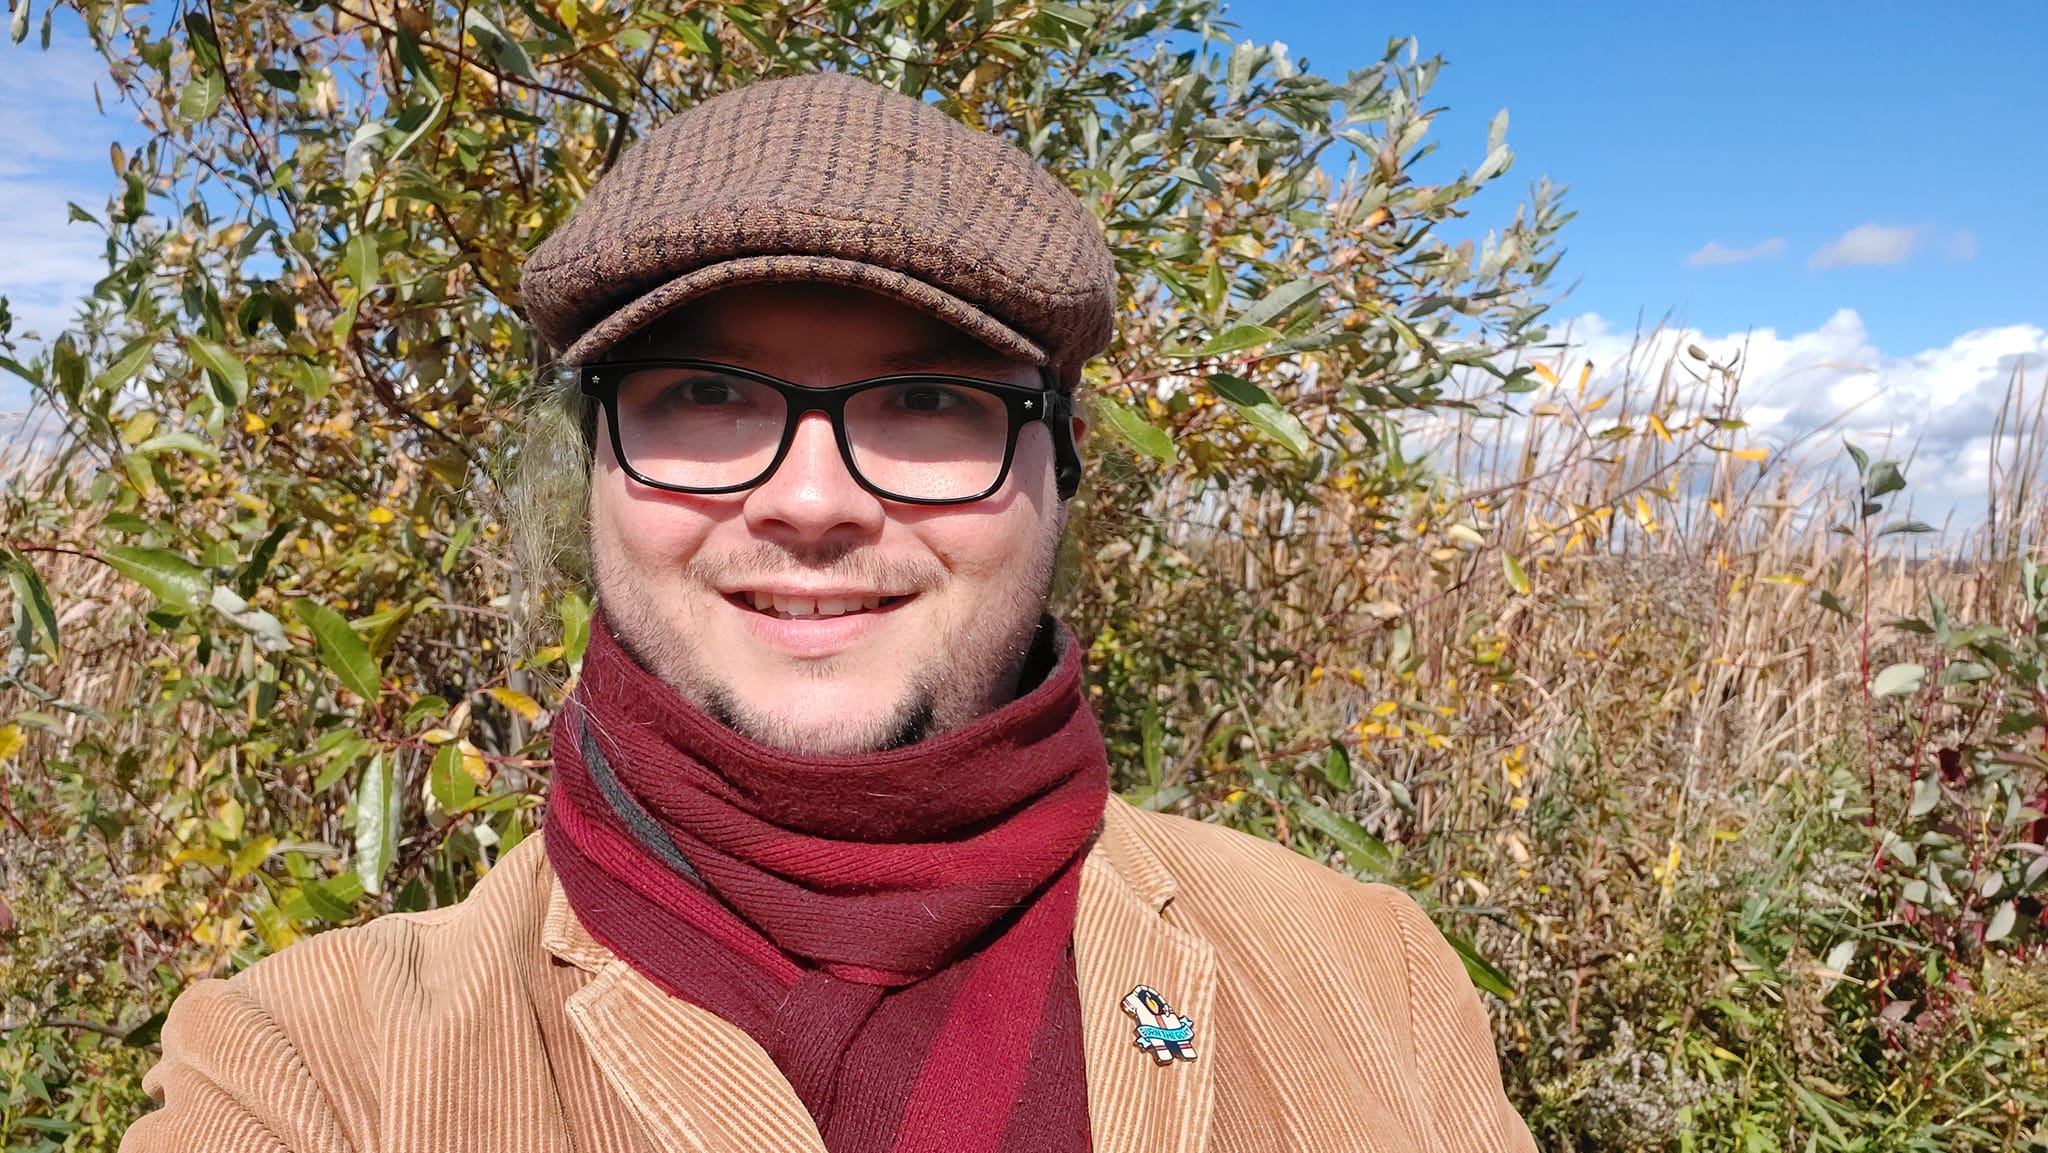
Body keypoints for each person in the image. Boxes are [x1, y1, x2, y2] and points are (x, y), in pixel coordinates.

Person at [122, 72, 1533, 1153]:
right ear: (596, 474)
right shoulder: (312, 1070)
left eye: (929, 400)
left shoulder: (1368, 986)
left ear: (1062, 470)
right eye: (706, 396)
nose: (810, 500)